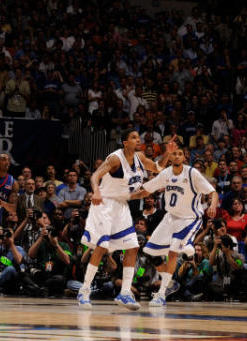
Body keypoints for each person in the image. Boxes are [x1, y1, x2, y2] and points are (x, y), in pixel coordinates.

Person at [77, 131, 174, 310]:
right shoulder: (115, 159)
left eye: (139, 137)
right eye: (134, 137)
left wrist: (167, 152)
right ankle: (84, 290)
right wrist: (96, 191)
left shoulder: (140, 157)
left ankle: (125, 293)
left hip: (121, 206)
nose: (139, 140)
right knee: (101, 247)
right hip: (104, 204)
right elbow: (95, 175)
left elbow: (158, 167)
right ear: (125, 142)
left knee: (133, 247)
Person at [129, 147, 218, 307]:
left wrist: (212, 205)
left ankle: (161, 293)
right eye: (173, 153)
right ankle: (170, 282)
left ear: (184, 157)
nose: (176, 156)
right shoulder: (166, 173)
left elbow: (213, 192)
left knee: (173, 250)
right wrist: (126, 196)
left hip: (189, 218)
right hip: (170, 218)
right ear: (169, 157)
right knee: (149, 252)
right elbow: (145, 190)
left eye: (180, 153)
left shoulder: (192, 173)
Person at [0, 153, 17, 240]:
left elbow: (13, 208)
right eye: (3, 159)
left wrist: (2, 203)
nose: (7, 162)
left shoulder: (13, 183)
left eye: (8, 160)